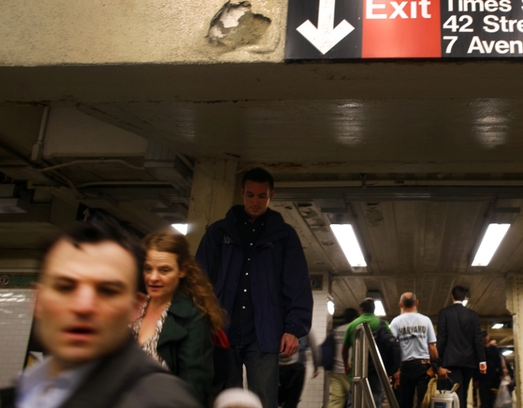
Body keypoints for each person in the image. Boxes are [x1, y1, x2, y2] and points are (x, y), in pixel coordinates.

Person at [4, 218, 199, 407]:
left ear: (136, 308)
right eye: (65, 287)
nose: (83, 306)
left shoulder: (160, 401)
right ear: (37, 300)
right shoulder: (22, 392)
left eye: (108, 291)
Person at [196, 168, 313, 408]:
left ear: (271, 195)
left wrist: (294, 328)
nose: (255, 202)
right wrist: (199, 323)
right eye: (250, 195)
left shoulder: (284, 236)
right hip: (223, 331)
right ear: (242, 193)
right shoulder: (218, 233)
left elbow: (298, 284)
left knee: (264, 399)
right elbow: (199, 281)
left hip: (265, 333)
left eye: (262, 196)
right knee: (225, 400)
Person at [132, 230, 224, 406]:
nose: (153, 277)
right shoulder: (132, 304)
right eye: (148, 268)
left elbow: (194, 386)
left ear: (182, 270)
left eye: (164, 270)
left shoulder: (193, 318)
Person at [436, 286, 486, 408]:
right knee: (463, 392)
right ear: (464, 298)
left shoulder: (445, 313)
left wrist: (437, 361)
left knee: (454, 394)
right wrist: (482, 360)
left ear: (452, 297)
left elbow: (442, 338)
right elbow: (477, 339)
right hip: (469, 361)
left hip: (451, 361)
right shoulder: (473, 315)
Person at [388, 292, 438, 408]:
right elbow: (432, 347)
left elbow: (392, 347)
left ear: (401, 304)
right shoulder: (426, 320)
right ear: (416, 303)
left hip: (406, 367)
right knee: (424, 402)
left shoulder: (396, 322)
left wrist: (394, 370)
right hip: (424, 367)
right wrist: (436, 366)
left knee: (406, 402)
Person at [342, 298, 392, 407]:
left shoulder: (353, 325)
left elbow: (344, 349)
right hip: (377, 370)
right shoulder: (383, 324)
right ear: (374, 310)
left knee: (354, 399)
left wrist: (346, 365)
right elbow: (391, 345)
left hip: (357, 370)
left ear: (361, 310)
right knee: (376, 400)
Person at [278, 333, 320, 408]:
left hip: (278, 367)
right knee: (292, 401)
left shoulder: (278, 325)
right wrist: (316, 366)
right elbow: (314, 347)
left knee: (278, 400)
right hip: (297, 367)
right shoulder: (305, 327)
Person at [329, 308, 359, 408]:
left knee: (336, 401)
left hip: (336, 371)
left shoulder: (336, 331)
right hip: (350, 371)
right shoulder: (356, 330)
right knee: (356, 401)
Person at [473, 331, 503, 408]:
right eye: (483, 336)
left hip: (494, 378)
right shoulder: (478, 350)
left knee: (494, 400)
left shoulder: (494, 349)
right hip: (482, 379)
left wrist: (501, 374)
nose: (485, 338)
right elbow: (475, 365)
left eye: (485, 336)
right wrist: (475, 379)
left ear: (488, 336)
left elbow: (498, 362)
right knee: (484, 400)